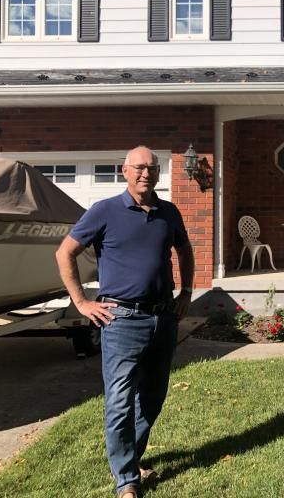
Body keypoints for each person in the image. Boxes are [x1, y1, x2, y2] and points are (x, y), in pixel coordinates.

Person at [56, 145, 195, 498]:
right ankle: (126, 480)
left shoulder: (169, 212)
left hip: (163, 317)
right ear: (124, 171)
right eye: (139, 168)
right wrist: (82, 302)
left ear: (159, 173)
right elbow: (64, 252)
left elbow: (185, 249)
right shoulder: (105, 211)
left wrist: (187, 292)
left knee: (152, 397)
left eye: (152, 167)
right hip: (121, 319)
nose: (146, 173)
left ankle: (131, 458)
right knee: (119, 400)